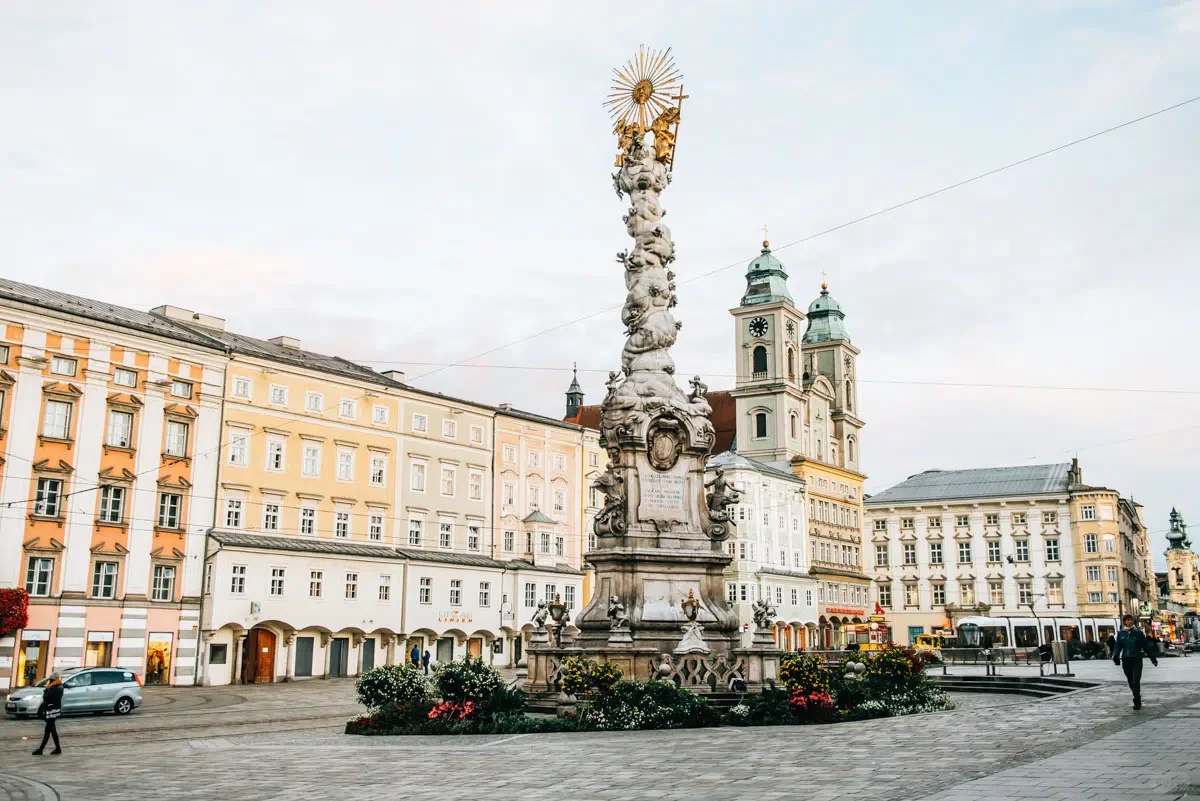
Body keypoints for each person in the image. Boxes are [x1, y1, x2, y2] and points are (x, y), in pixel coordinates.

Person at [1113, 614, 1158, 710]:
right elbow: (1118, 646)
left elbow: (1146, 646)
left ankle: (1136, 699)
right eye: (1128, 620)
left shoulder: (1138, 633)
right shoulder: (1121, 634)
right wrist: (1115, 655)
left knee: (1135, 680)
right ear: (1124, 622)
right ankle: (1136, 694)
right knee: (1130, 681)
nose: (1130, 621)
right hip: (1126, 660)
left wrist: (1153, 659)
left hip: (1136, 659)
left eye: (1131, 620)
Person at [33, 677, 63, 755]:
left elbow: (46, 698)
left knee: (48, 730)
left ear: (52, 680)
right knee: (52, 730)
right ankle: (57, 748)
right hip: (55, 710)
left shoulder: (53, 688)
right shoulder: (60, 687)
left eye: (50, 680)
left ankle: (41, 749)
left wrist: (46, 691)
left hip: (51, 710)